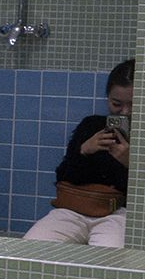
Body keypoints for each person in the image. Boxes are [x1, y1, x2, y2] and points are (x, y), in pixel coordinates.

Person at [23, 59, 134, 247]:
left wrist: (130, 164)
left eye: (133, 105)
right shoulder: (91, 125)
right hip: (74, 208)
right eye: (116, 104)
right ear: (107, 98)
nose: (125, 112)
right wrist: (83, 151)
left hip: (118, 212)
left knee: (110, 258)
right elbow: (64, 176)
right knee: (31, 248)